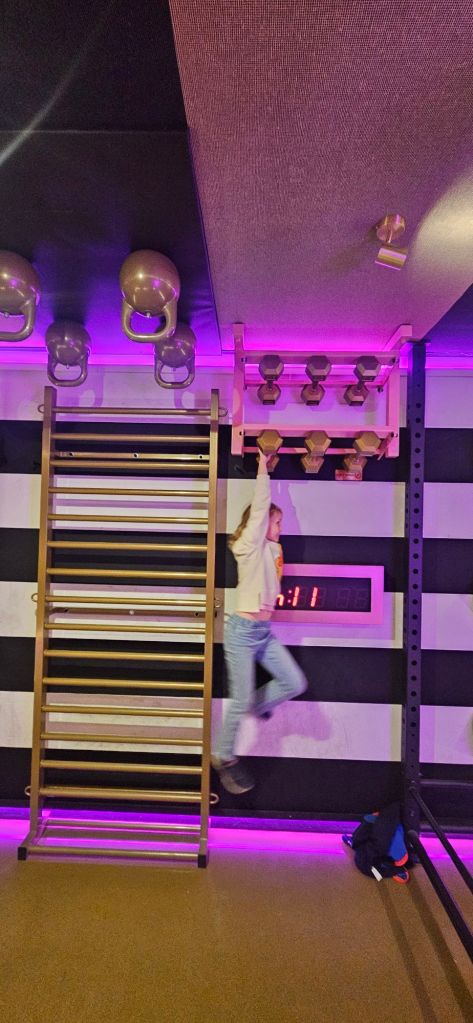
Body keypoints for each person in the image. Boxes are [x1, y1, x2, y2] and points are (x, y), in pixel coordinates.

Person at [211, 451, 307, 793]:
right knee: (238, 699)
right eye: (276, 523)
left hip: (263, 633)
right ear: (261, 524)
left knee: (294, 682)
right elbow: (261, 507)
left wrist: (282, 510)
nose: (281, 529)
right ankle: (223, 755)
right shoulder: (248, 547)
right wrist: (264, 469)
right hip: (242, 632)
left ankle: (259, 704)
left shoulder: (271, 550)